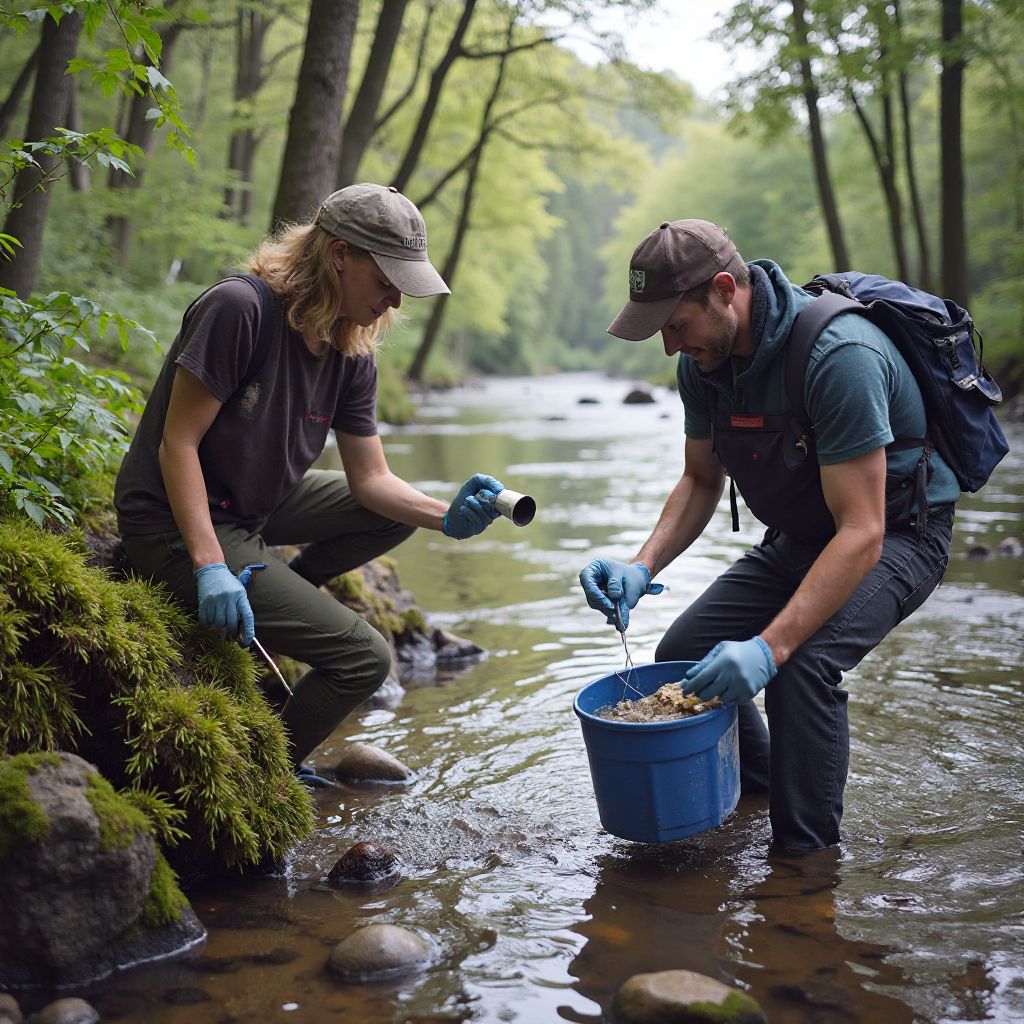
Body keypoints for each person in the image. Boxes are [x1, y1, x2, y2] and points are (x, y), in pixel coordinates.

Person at [579, 219, 958, 850]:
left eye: (676, 325)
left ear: (725, 291)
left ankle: (805, 867)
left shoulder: (840, 356)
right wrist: (642, 566)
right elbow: (700, 479)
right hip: (801, 536)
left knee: (802, 666)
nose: (670, 348)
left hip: (897, 534)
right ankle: (758, 793)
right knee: (686, 648)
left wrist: (768, 650)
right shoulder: (705, 362)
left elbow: (862, 531)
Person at [114, 183, 505, 774]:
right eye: (387, 280)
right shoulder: (239, 309)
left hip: (257, 506)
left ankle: (286, 592)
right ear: (338, 254)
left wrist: (445, 518)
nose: (395, 301)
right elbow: (179, 443)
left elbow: (372, 480)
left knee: (392, 513)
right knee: (363, 657)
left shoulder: (352, 349)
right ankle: (263, 776)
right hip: (172, 520)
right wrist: (210, 566)